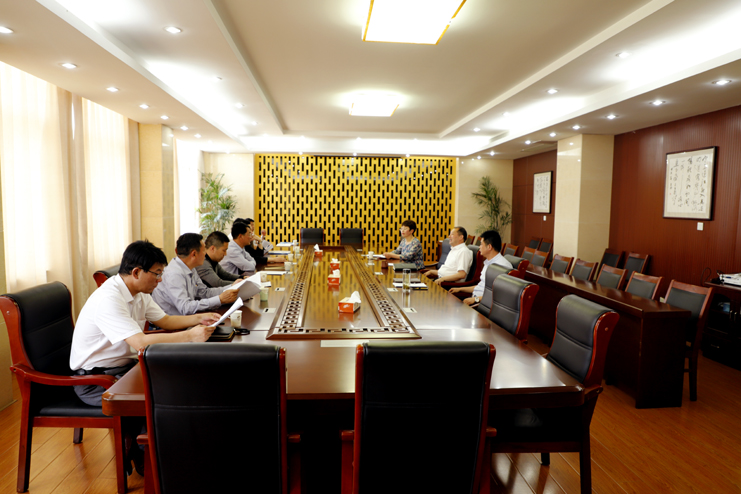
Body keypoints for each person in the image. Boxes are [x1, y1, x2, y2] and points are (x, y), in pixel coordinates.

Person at [70, 240, 220, 476]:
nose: (160, 280)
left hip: (124, 369)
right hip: (96, 381)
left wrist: (199, 319)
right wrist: (190, 336)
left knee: (179, 383)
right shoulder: (109, 298)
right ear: (136, 272)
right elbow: (140, 342)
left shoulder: (138, 292)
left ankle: (161, 454)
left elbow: (165, 320)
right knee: (163, 395)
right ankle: (149, 460)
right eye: (157, 274)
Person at [152, 233, 239, 315]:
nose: (205, 254)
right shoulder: (174, 274)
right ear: (194, 254)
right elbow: (185, 308)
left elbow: (204, 292)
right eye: (204, 250)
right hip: (172, 323)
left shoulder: (190, 268)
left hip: (187, 318)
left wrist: (232, 286)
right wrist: (219, 299)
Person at [450, 230, 513, 306]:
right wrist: (460, 289)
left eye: (481, 244)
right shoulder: (488, 262)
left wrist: (475, 299)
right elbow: (480, 287)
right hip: (475, 299)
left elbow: (498, 296)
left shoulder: (502, 266)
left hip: (483, 305)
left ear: (489, 247)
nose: (479, 247)